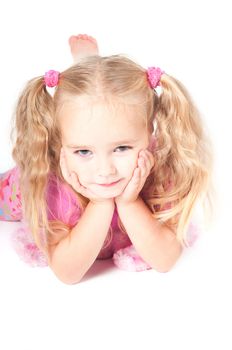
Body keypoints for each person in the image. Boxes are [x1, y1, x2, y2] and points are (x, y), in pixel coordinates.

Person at [0, 34, 213, 284]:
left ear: (150, 132)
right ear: (60, 146)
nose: (105, 171)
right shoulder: (50, 184)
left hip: (101, 139)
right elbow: (68, 274)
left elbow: (164, 259)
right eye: (83, 151)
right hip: (20, 187)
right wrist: (100, 204)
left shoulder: (159, 170)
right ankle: (87, 63)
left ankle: (90, 65)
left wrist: (129, 202)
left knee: (99, 109)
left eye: (122, 148)